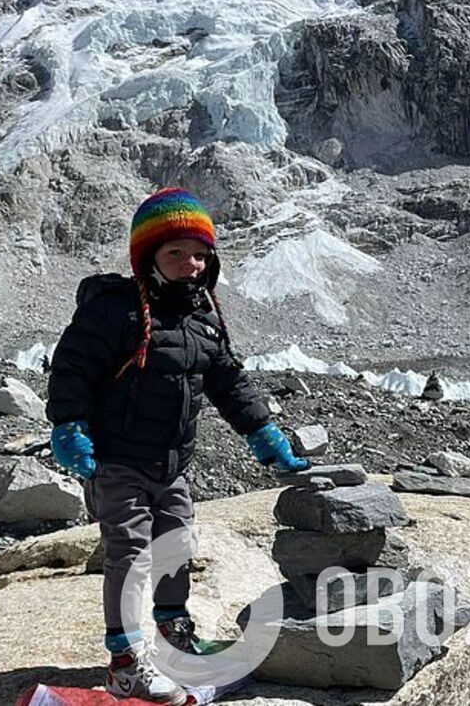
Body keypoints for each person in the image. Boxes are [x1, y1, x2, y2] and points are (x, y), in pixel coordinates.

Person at [45, 188, 310, 704]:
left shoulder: (204, 316)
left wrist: (263, 433)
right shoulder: (113, 312)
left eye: (199, 253)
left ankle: (172, 638)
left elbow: (229, 384)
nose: (190, 264)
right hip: (118, 460)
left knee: (176, 548)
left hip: (172, 465)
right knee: (130, 553)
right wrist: (68, 425)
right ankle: (125, 662)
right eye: (175, 254)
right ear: (148, 257)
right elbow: (72, 367)